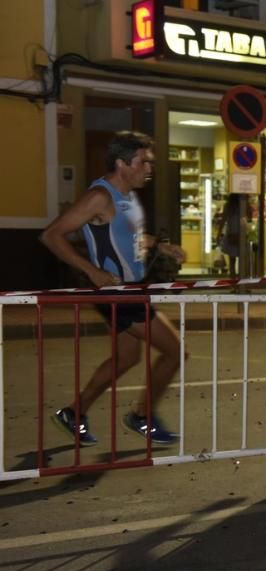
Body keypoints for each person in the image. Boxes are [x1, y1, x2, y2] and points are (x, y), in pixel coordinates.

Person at [40, 131, 186, 445]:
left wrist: (161, 247)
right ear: (121, 163)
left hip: (131, 290)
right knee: (176, 351)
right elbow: (52, 235)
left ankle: (74, 413)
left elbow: (126, 238)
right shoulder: (100, 197)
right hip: (119, 295)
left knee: (126, 358)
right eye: (143, 162)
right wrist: (91, 271)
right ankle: (142, 417)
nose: (150, 168)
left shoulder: (129, 196)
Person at [218, 193, 244, 279]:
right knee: (242, 262)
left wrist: (219, 233)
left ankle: (233, 283)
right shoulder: (243, 206)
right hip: (241, 235)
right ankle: (241, 284)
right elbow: (249, 219)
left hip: (230, 234)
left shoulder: (228, 206)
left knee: (232, 263)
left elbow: (223, 220)